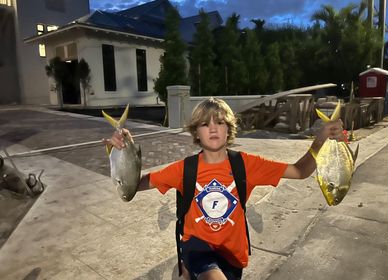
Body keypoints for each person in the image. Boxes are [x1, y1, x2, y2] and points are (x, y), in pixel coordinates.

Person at [103, 97, 345, 280]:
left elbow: (300, 171)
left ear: (229, 128)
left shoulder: (247, 165)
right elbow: (132, 186)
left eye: (219, 122)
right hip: (197, 247)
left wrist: (322, 138)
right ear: (195, 132)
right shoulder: (184, 169)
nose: (213, 128)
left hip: (233, 255)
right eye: (204, 124)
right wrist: (119, 152)